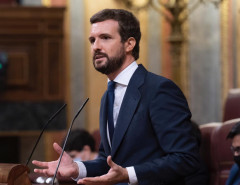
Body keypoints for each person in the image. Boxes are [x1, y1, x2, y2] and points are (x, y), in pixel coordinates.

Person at [33, 9, 200, 185]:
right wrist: (78, 168)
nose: (96, 46)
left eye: (105, 38)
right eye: (92, 40)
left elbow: (186, 158)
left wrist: (129, 174)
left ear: (129, 44)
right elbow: (109, 160)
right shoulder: (108, 96)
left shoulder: (159, 90)